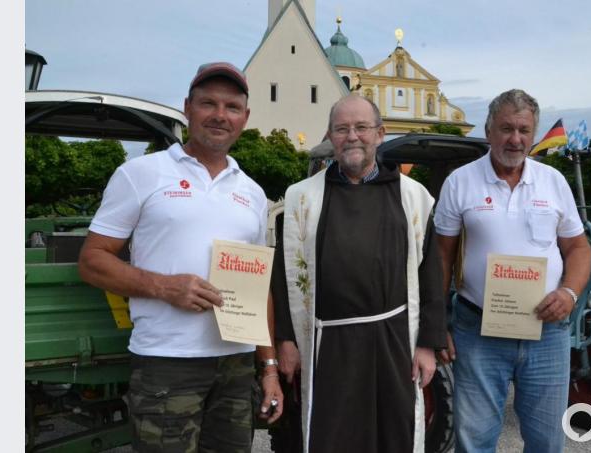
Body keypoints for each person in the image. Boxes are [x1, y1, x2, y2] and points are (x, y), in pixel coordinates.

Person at [78, 62, 283, 453]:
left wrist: (268, 368)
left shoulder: (253, 193)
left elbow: (259, 291)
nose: (220, 115)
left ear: (245, 117)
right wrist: (164, 286)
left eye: (232, 106)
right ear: (187, 107)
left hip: (235, 365)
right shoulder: (141, 173)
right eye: (208, 103)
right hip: (166, 363)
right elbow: (92, 260)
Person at [271, 94, 446, 453]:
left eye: (362, 127)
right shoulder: (301, 198)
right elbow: (283, 275)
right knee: (333, 438)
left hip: (393, 340)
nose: (352, 136)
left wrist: (428, 344)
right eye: (342, 128)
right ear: (330, 137)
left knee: (392, 435)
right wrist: (287, 340)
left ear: (380, 134)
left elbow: (431, 274)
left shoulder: (414, 197)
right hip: (329, 346)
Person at [434, 89, 591, 453]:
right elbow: (442, 256)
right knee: (474, 441)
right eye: (506, 128)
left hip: (547, 332)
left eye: (524, 130)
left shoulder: (553, 182)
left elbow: (579, 248)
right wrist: (438, 322)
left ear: (533, 135)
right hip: (477, 330)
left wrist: (568, 293)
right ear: (488, 131)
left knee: (547, 440)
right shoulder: (460, 181)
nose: (515, 139)